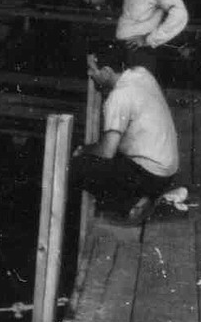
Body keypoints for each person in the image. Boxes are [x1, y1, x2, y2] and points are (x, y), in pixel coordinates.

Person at [71, 41, 184, 225]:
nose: (89, 74)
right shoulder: (141, 74)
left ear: (107, 71)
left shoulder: (119, 96)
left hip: (149, 176)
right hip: (167, 173)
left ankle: (132, 203)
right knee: (103, 158)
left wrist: (84, 150)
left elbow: (107, 152)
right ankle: (141, 197)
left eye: (92, 69)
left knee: (75, 167)